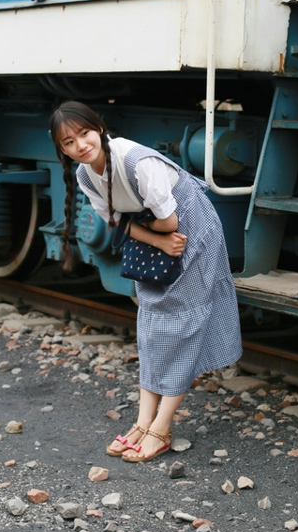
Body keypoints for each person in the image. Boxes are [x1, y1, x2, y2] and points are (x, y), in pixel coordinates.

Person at [49, 100, 242, 463]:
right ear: (62, 149)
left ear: (100, 128)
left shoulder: (138, 162)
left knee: (184, 325)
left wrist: (158, 234)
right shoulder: (85, 175)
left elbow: (171, 223)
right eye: (68, 143)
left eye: (85, 134)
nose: (80, 146)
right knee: (152, 324)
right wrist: (156, 240)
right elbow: (119, 224)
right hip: (155, 237)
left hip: (192, 228)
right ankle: (142, 423)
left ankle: (161, 427)